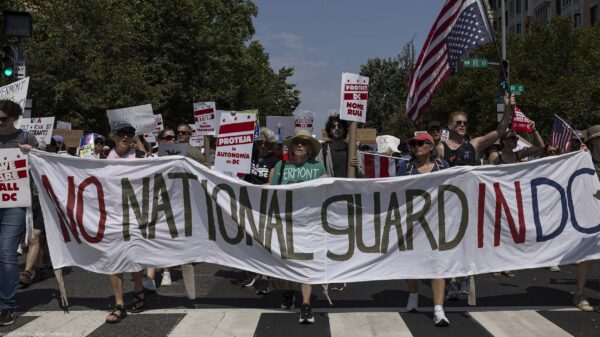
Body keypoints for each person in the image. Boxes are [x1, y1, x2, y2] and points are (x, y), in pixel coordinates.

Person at [437, 93, 513, 299]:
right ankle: (451, 282)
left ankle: (463, 276)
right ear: (450, 126)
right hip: (448, 203)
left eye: (465, 123)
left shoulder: (475, 144)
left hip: (470, 203)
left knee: (467, 242)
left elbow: (499, 131)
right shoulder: (441, 149)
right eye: (458, 123)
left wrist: (507, 108)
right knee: (449, 243)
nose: (462, 125)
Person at [268, 130, 326, 324]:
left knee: (306, 262)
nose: (300, 145)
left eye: (304, 143)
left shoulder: (318, 167)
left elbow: (327, 190)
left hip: (310, 223)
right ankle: (288, 292)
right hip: (285, 221)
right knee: (286, 261)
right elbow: (270, 191)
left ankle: (306, 303)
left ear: (310, 149)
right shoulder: (281, 165)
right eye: (297, 142)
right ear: (291, 147)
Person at [396, 132, 450, 327]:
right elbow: (396, 192)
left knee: (438, 263)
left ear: (430, 146)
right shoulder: (405, 167)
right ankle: (413, 296)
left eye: (421, 143)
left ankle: (438, 309)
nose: (416, 146)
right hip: (412, 222)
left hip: (437, 222)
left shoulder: (443, 167)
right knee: (412, 261)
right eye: (413, 144)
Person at [0, 100, 39, 326]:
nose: (0, 123)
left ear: (14, 118)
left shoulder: (26, 138)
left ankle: (6, 305)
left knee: (6, 253)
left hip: (14, 203)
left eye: (4, 119)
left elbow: (47, 165)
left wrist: (31, 154)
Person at [105, 121, 147, 323]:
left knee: (134, 256)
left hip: (135, 215)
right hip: (110, 215)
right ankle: (119, 304)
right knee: (113, 258)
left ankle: (138, 288)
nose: (126, 136)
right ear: (112, 135)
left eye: (130, 133)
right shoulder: (100, 159)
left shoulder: (140, 157)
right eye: (122, 133)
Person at [489, 124, 544, 278]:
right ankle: (496, 264)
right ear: (504, 141)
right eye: (512, 138)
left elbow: (540, 147)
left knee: (511, 231)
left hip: (513, 197)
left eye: (515, 138)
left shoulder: (518, 155)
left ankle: (507, 264)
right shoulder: (495, 157)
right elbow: (487, 177)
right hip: (498, 196)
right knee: (498, 232)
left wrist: (534, 130)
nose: (514, 141)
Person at [572, 124, 599, 312]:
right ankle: (580, 293)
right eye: (598, 138)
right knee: (587, 255)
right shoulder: (584, 159)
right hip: (589, 213)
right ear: (592, 141)